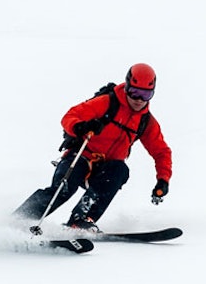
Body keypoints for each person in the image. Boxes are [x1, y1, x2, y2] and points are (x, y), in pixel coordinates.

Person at [13, 63, 173, 232]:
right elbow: (70, 116)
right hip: (79, 157)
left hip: (104, 170)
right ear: (126, 87)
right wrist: (80, 127)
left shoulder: (146, 122)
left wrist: (163, 179)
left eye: (146, 95)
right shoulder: (107, 103)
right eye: (135, 92)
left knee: (120, 170)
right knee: (63, 189)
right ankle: (19, 219)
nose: (139, 100)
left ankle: (80, 220)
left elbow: (161, 151)